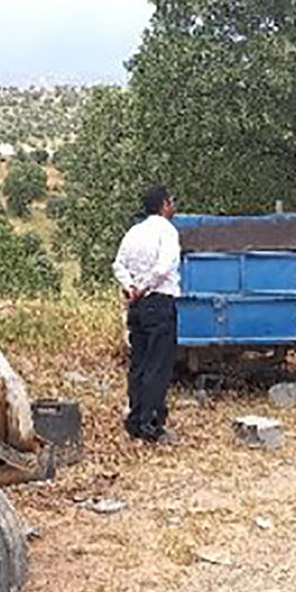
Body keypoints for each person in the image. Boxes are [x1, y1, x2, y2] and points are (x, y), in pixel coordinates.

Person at [112, 185, 180, 444]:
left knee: (139, 363)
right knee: (158, 364)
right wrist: (143, 287)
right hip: (158, 301)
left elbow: (118, 264)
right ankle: (151, 423)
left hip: (137, 306)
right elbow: (165, 266)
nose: (173, 206)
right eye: (171, 201)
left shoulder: (134, 231)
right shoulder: (167, 231)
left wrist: (130, 287)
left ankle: (135, 419)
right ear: (164, 204)